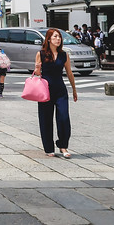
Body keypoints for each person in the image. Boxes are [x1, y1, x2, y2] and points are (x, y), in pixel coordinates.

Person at [34, 28, 78, 158]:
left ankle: (63, 146)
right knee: (46, 119)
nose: (58, 39)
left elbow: (69, 73)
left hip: (60, 90)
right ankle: (48, 148)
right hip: (45, 91)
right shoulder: (41, 54)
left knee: (64, 118)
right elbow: (37, 73)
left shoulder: (64, 55)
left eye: (59, 37)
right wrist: (37, 68)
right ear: (48, 39)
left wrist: (74, 90)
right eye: (55, 37)